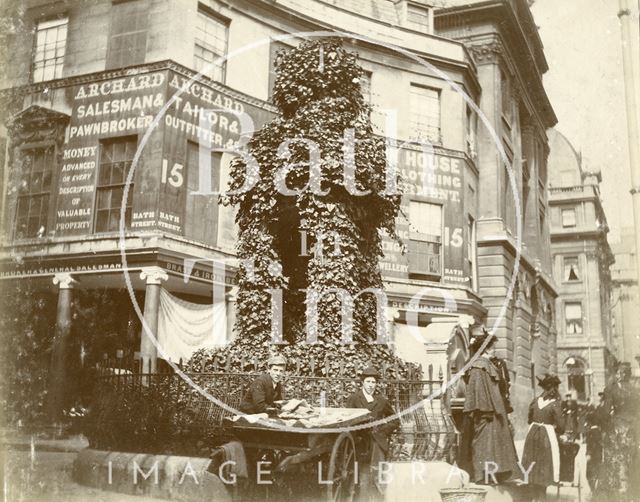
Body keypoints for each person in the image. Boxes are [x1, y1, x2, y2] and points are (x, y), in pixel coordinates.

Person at [459, 330, 520, 485]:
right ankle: (482, 476)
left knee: (495, 444)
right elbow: (478, 392)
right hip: (486, 413)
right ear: (486, 349)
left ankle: (495, 474)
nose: (494, 350)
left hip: (494, 412)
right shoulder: (479, 367)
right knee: (483, 445)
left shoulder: (486, 365)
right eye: (492, 347)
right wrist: (485, 410)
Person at [346, 366, 399, 495]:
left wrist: (382, 431)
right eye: (368, 381)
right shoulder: (353, 399)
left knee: (377, 474)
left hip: (376, 441)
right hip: (359, 442)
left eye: (373, 382)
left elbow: (395, 420)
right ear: (363, 382)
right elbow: (347, 419)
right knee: (359, 474)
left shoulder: (381, 400)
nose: (371, 385)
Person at [598, 362, 640, 501]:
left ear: (621, 374)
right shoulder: (635, 390)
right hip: (633, 430)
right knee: (631, 461)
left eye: (618, 373)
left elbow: (604, 413)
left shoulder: (612, 389)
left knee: (615, 462)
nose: (616, 375)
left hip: (617, 429)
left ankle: (617, 495)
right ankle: (631, 493)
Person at [521, 374, 564, 501]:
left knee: (532, 463)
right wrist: (556, 429)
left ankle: (532, 496)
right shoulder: (555, 404)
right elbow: (561, 426)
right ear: (554, 389)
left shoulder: (535, 401)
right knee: (544, 465)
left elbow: (529, 419)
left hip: (532, 434)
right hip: (546, 436)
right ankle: (541, 497)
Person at [584, 392, 605, 493]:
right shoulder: (598, 432)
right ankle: (595, 489)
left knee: (590, 473)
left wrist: (588, 453)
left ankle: (593, 490)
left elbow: (590, 445)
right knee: (597, 469)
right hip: (598, 454)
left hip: (593, 455)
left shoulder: (591, 432)